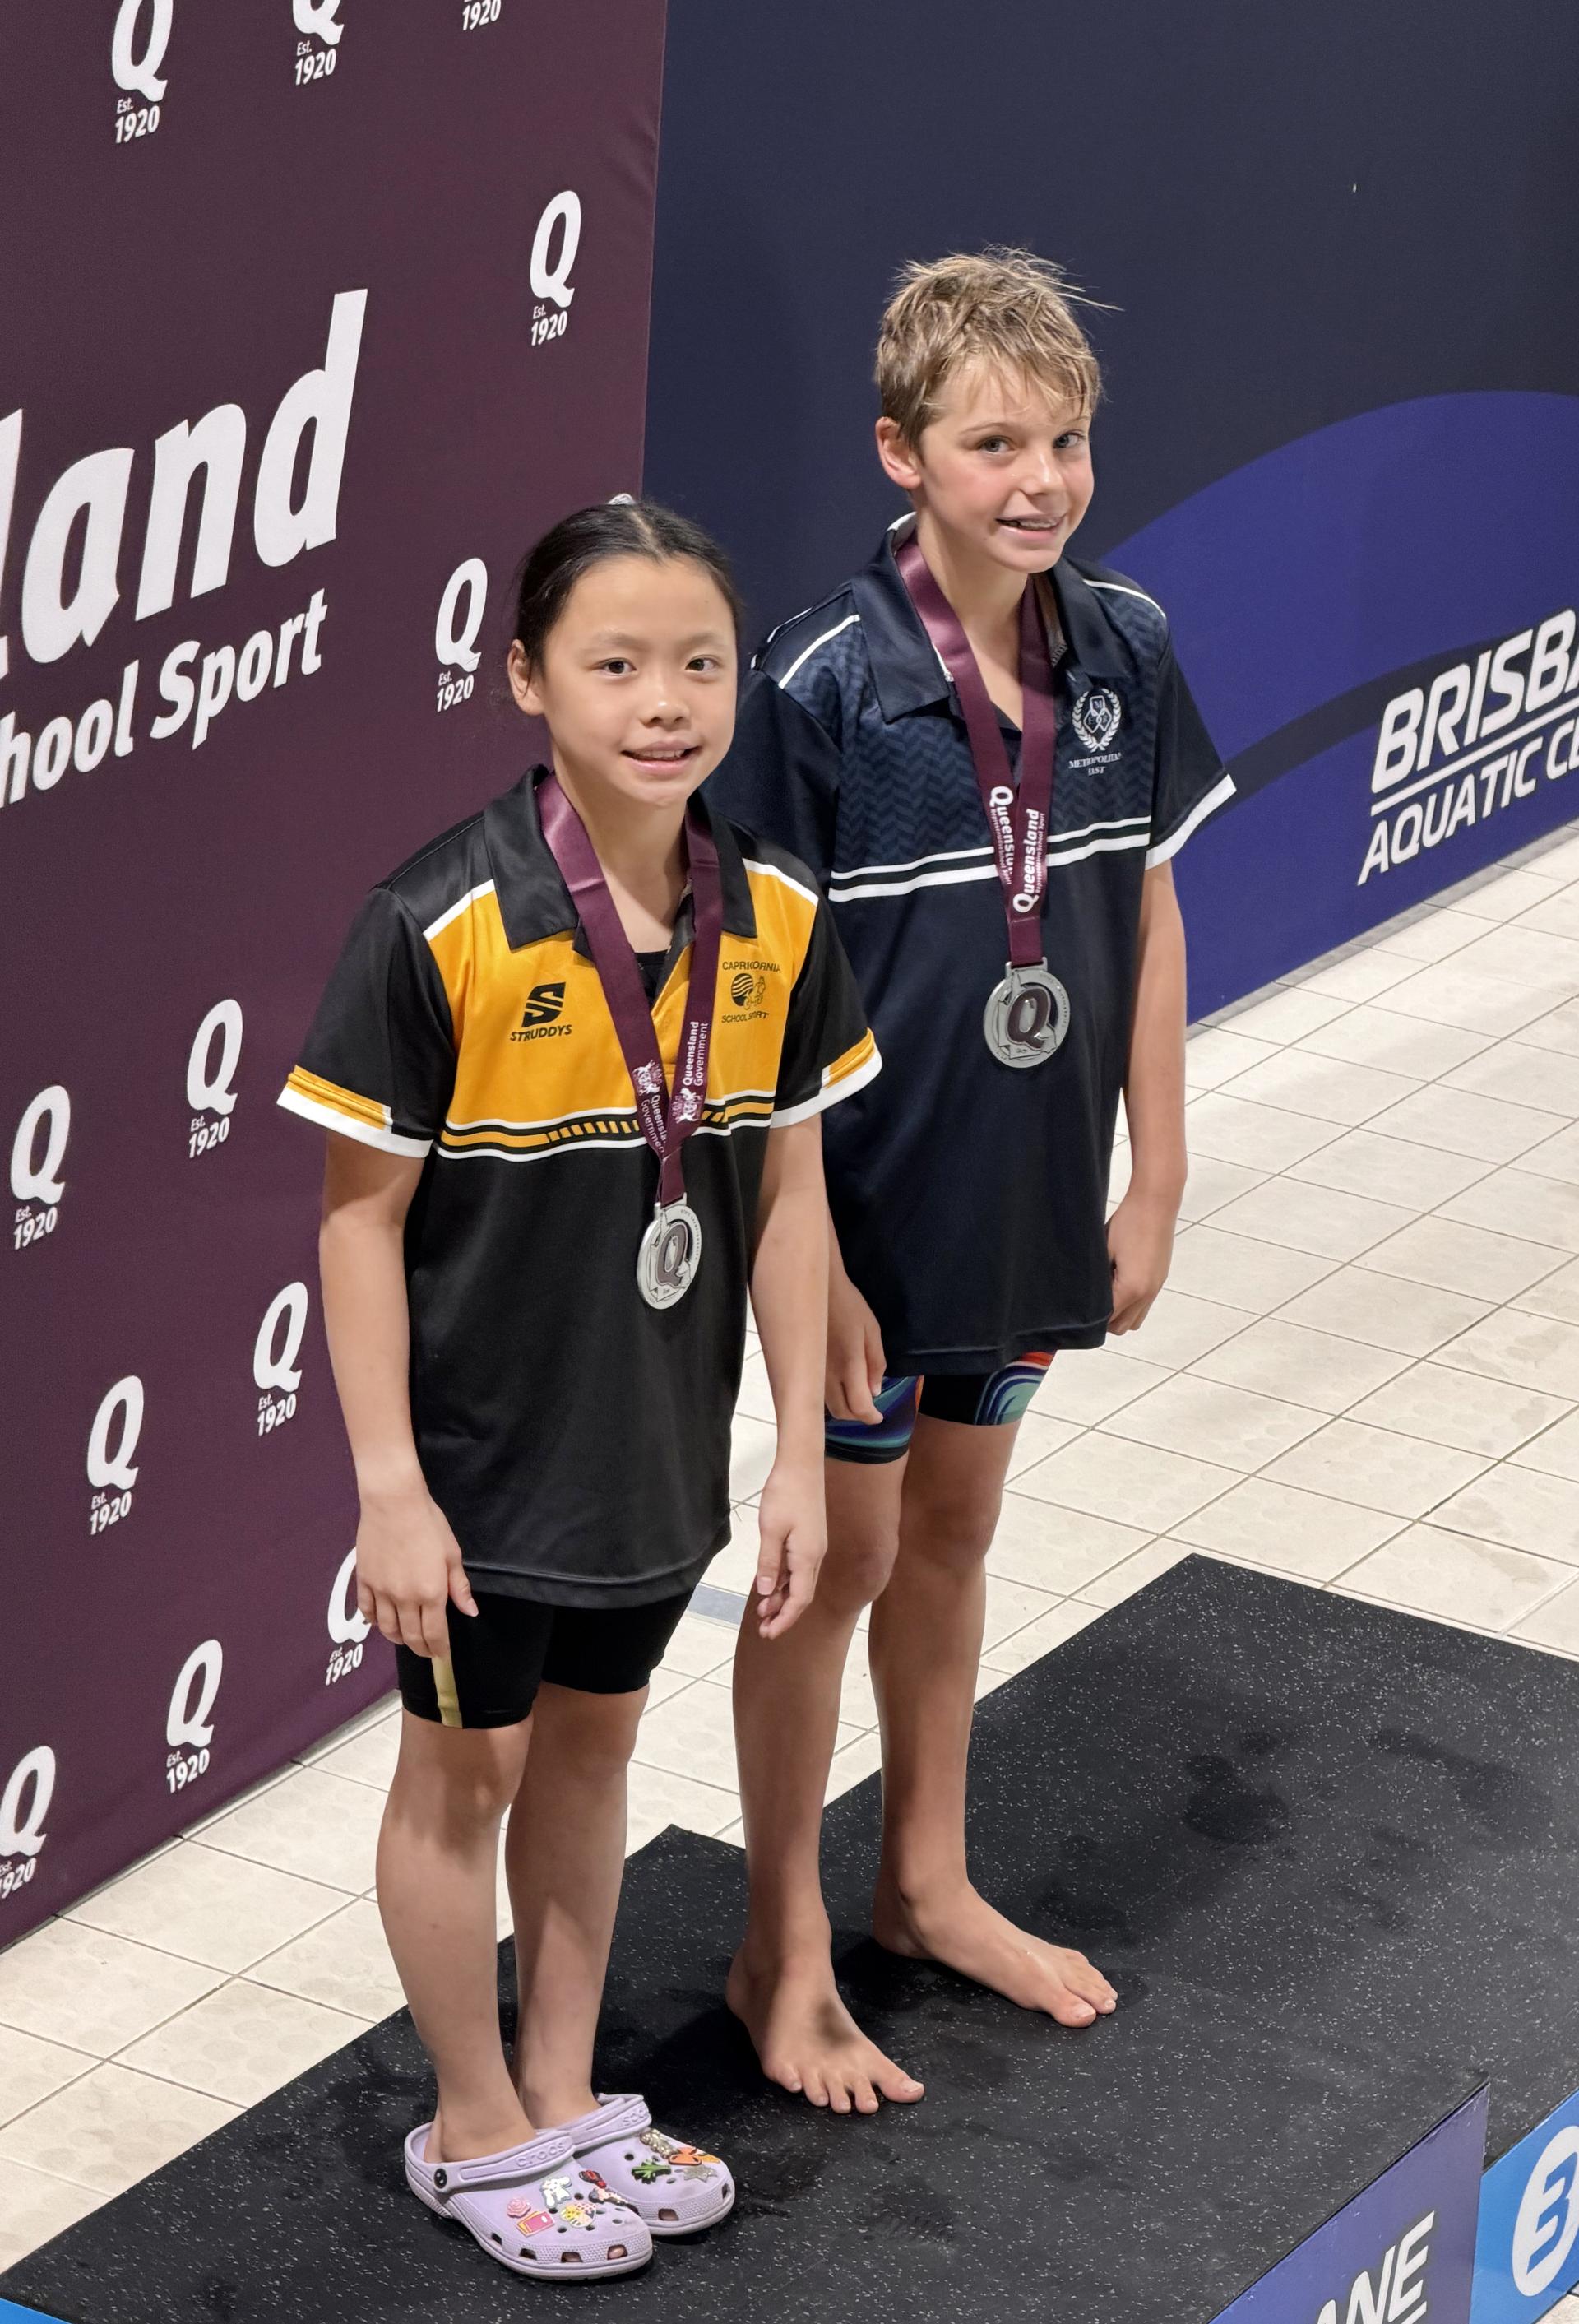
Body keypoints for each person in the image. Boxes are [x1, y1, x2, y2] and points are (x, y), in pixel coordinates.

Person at [277, 500, 879, 2278]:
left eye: (700, 663)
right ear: (527, 678)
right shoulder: (440, 921)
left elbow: (788, 1201)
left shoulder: (776, 914)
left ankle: (558, 2089)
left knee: (597, 1752)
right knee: (464, 1773)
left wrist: (796, 1454)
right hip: (478, 1467)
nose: (663, 701)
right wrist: (389, 1486)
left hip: (652, 1450)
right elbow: (358, 1226)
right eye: (615, 664)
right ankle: (469, 2127)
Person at [706, 248, 1235, 2113]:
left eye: (1066, 439)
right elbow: (750, 998)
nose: (1041, 479)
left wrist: (1156, 1178)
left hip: (1024, 1198)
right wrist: (814, 1264)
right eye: (993, 443)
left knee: (950, 1536)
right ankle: (779, 1945)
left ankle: (923, 1883)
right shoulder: (825, 683)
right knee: (832, 1564)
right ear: (900, 453)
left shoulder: (1127, 647)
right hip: (861, 1219)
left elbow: (1150, 913)